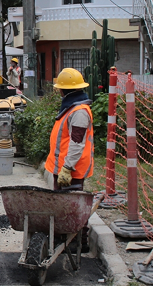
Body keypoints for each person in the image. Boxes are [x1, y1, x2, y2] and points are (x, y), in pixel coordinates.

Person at [45, 68, 94, 251]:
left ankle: (78, 242)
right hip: (64, 167)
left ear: (65, 90)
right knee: (65, 205)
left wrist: (67, 168)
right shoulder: (72, 107)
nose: (58, 92)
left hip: (72, 169)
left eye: (60, 89)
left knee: (73, 206)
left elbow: (77, 143)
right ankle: (68, 238)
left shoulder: (79, 112)